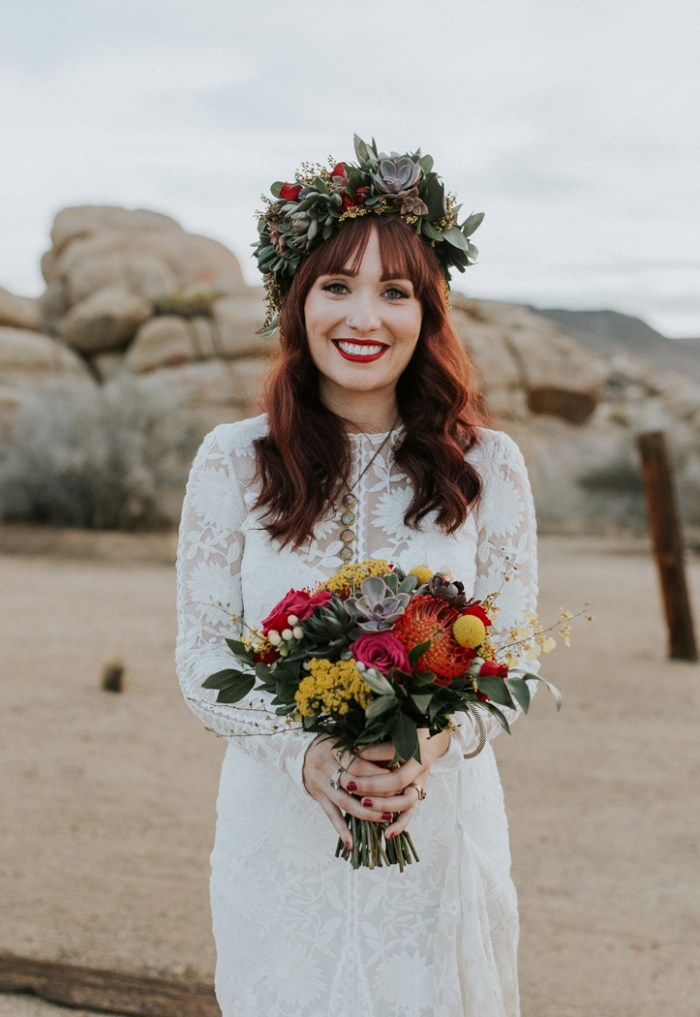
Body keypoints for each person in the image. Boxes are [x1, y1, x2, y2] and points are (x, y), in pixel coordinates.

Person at [176, 138, 538, 1017]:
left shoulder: (487, 465)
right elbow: (200, 655)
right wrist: (309, 756)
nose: (363, 318)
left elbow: (515, 664)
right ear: (295, 302)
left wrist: (429, 748)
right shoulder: (233, 461)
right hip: (281, 831)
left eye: (394, 291)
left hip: (437, 823)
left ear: (429, 308)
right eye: (336, 286)